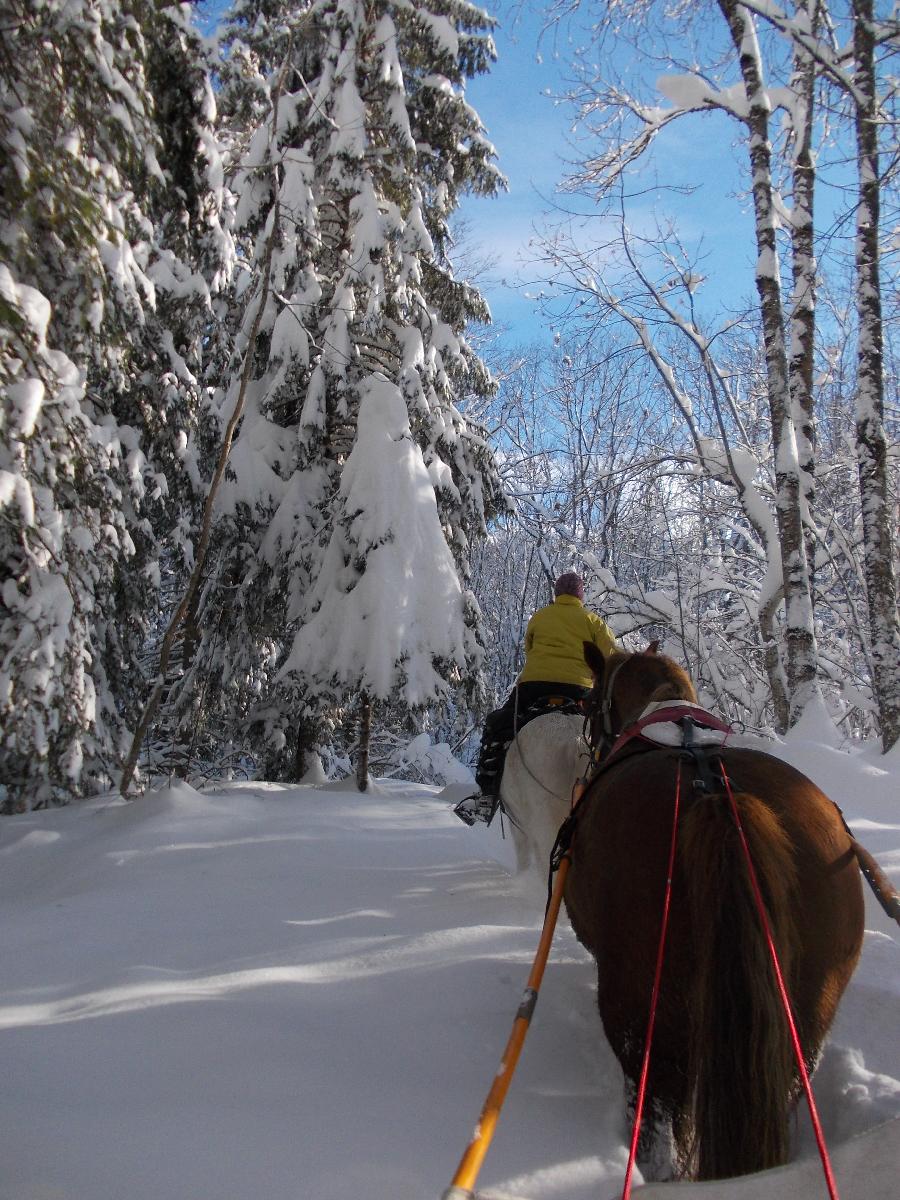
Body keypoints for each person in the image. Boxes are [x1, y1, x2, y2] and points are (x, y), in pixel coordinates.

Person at [455, 572, 617, 825]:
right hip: (579, 690)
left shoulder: (540, 617)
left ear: (556, 594)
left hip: (535, 685)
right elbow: (609, 657)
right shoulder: (594, 621)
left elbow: (530, 649)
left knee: (498, 726)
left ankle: (487, 796)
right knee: (607, 735)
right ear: (580, 595)